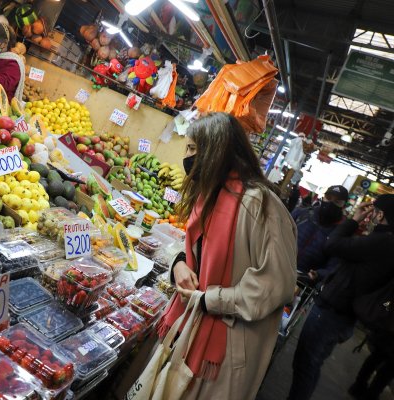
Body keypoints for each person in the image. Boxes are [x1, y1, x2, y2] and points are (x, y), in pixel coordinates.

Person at [151, 112, 297, 399]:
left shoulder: (260, 206)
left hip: (228, 344)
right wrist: (179, 265)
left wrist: (209, 300)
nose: (188, 157)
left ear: (217, 150)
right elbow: (194, 248)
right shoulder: (211, 194)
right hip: (191, 322)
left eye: (194, 149)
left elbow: (276, 285)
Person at [287, 194, 394, 400]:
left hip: (332, 313)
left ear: (380, 215)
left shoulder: (381, 242)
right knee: (310, 365)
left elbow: (332, 244)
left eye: (374, 212)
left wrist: (354, 220)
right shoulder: (385, 243)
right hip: (345, 315)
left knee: (305, 366)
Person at [290, 185, 349, 282]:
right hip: (277, 265)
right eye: (328, 198)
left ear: (344, 206)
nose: (330, 203)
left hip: (302, 281)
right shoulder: (301, 214)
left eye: (337, 202)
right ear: (323, 197)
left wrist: (318, 274)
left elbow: (334, 266)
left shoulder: (341, 233)